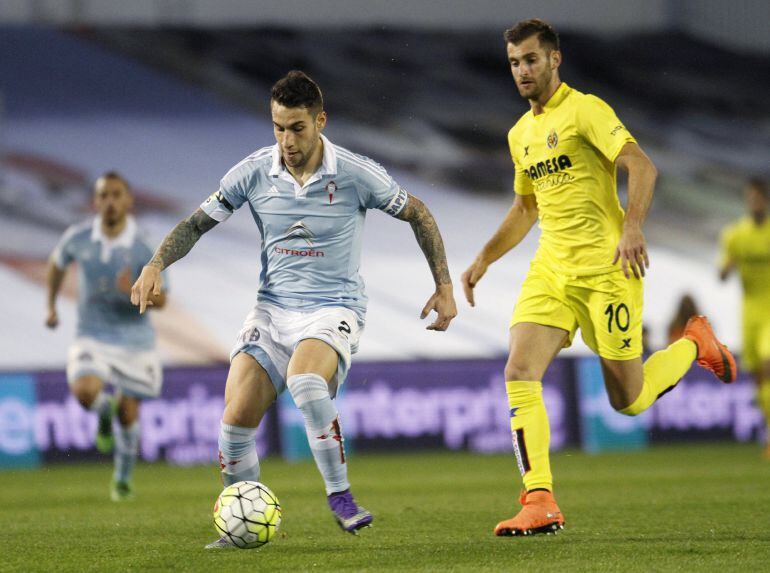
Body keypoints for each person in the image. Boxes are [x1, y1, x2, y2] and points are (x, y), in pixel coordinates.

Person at [130, 71, 457, 546]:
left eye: (297, 128)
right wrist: (156, 263)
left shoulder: (355, 173)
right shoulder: (254, 171)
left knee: (306, 381)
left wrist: (443, 286)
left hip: (333, 307)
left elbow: (419, 212)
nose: (286, 140)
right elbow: (197, 223)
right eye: (278, 128)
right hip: (271, 309)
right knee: (234, 420)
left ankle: (341, 497)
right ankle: (240, 523)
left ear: (320, 121)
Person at [461, 19, 736, 537]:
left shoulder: (586, 110)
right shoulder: (519, 135)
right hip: (551, 271)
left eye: (531, 60)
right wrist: (483, 260)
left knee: (628, 401)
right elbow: (525, 209)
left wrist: (632, 227)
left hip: (608, 271)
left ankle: (693, 343)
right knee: (519, 372)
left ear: (554, 59)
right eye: (515, 62)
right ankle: (539, 498)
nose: (522, 70)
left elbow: (643, 166)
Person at [46, 171, 167, 501]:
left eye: (117, 195)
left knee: (128, 411)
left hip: (134, 340)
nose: (111, 202)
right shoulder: (78, 237)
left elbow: (163, 299)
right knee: (85, 392)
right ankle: (102, 411)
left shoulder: (144, 247)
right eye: (104, 196)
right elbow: (56, 265)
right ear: (95, 201)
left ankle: (123, 477)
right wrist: (51, 306)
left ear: (128, 201)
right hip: (92, 335)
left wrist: (136, 291)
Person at [719, 178, 770, 458]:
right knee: (759, 379)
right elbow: (723, 272)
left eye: (758, 198)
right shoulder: (736, 235)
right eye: (750, 199)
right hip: (749, 312)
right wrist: (727, 267)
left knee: (768, 361)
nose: (754, 203)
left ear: (766, 201)